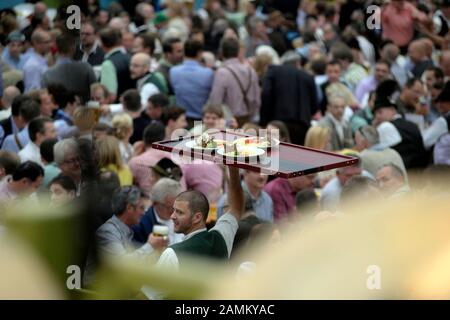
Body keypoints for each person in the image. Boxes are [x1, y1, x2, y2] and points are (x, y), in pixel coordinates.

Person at [155, 165, 244, 273]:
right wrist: (233, 168)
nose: (172, 216)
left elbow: (150, 290)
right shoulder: (221, 237)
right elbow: (236, 207)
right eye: (173, 210)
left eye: (179, 212)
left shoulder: (172, 254)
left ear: (197, 217)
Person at [260, 51, 318, 145]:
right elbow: (314, 106)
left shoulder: (273, 71)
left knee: (275, 153)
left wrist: (263, 120)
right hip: (302, 123)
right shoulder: (308, 77)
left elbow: (266, 94)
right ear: (298, 63)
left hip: (277, 121)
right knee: (297, 154)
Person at [209, 37, 261, 127]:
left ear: (222, 53)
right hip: (248, 120)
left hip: (229, 122)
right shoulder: (250, 70)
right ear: (238, 52)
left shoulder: (222, 72)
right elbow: (257, 99)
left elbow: (215, 102)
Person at [96, 185, 158, 258]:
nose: (143, 213)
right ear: (129, 208)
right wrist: (150, 246)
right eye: (141, 208)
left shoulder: (127, 230)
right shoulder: (107, 232)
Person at [373, 96, 429, 170]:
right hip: (420, 170)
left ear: (392, 110)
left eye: (380, 112)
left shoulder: (385, 126)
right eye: (375, 114)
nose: (377, 117)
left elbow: (375, 153)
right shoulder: (413, 125)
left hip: (400, 172)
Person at [42, 33, 97, 104]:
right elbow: (95, 89)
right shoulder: (85, 68)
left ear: (57, 48)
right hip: (83, 111)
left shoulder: (48, 74)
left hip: (59, 112)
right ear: (73, 48)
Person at [170, 39, 214, 125]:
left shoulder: (173, 71)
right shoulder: (208, 73)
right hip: (200, 119)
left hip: (181, 119)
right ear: (199, 53)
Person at [132, 178, 184, 246]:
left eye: (177, 208)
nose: (174, 213)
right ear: (155, 203)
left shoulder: (183, 216)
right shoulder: (141, 226)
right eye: (169, 208)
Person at [128, 122, 168, 195]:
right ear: (164, 139)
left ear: (144, 140)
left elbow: (128, 186)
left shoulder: (135, 162)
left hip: (147, 201)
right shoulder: (176, 158)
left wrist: (133, 155)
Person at [99, 27, 134, 102]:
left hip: (115, 109)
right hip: (131, 106)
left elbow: (110, 96)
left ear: (102, 44)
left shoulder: (108, 64)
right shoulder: (132, 57)